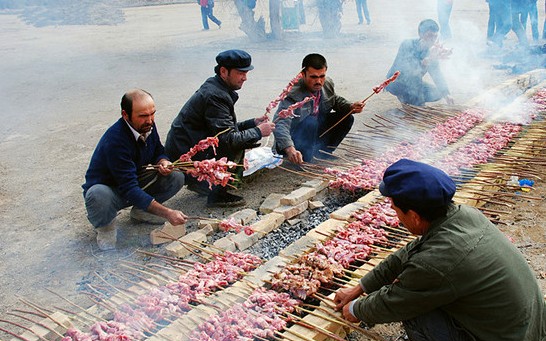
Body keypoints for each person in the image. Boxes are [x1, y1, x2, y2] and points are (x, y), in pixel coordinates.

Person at [334, 159, 546, 341]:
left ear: (413, 215)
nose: (396, 215)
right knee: (426, 294)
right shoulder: (463, 215)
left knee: (416, 308)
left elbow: (394, 302)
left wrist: (355, 310)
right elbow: (407, 254)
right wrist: (360, 288)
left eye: (395, 209)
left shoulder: (437, 262)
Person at [165, 49, 275, 208]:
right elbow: (228, 139)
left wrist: (252, 123)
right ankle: (217, 195)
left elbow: (223, 128)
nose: (245, 78)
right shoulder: (215, 95)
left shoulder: (217, 87)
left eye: (246, 73)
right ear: (224, 71)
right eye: (240, 73)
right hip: (186, 151)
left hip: (188, 144)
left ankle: (201, 183)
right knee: (237, 145)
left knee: (241, 137)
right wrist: (259, 132)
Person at [82, 89, 187, 251]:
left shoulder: (147, 126)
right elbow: (129, 189)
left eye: (152, 114)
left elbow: (158, 150)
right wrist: (168, 213)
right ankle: (105, 228)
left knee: (176, 176)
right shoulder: (116, 140)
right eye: (143, 116)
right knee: (97, 194)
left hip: (133, 180)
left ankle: (141, 211)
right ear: (125, 115)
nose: (150, 120)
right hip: (112, 191)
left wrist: (163, 161)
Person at [272, 53, 365, 164]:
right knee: (311, 121)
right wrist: (289, 148)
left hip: (315, 131)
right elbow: (280, 124)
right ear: (303, 74)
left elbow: (333, 99)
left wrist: (350, 106)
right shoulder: (292, 94)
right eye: (313, 77)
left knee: (347, 118)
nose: (319, 81)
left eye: (322, 76)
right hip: (295, 137)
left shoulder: (327, 83)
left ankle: (323, 153)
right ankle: (304, 156)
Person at [385, 19, 454, 107]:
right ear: (420, 34)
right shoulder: (407, 44)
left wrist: (446, 93)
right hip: (397, 82)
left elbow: (437, 74)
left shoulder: (431, 51)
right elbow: (407, 71)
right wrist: (424, 62)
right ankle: (405, 97)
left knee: (438, 93)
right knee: (418, 103)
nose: (432, 40)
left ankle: (410, 98)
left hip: (415, 82)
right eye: (429, 36)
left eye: (435, 36)